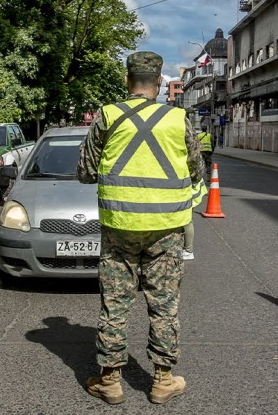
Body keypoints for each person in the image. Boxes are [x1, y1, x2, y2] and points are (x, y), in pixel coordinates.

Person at [77, 51, 205, 405]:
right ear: (161, 82)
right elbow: (197, 170)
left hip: (120, 227)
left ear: (126, 80)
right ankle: (163, 380)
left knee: (115, 302)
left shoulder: (107, 115)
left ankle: (110, 381)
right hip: (166, 228)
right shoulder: (178, 118)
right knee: (164, 303)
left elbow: (86, 171)